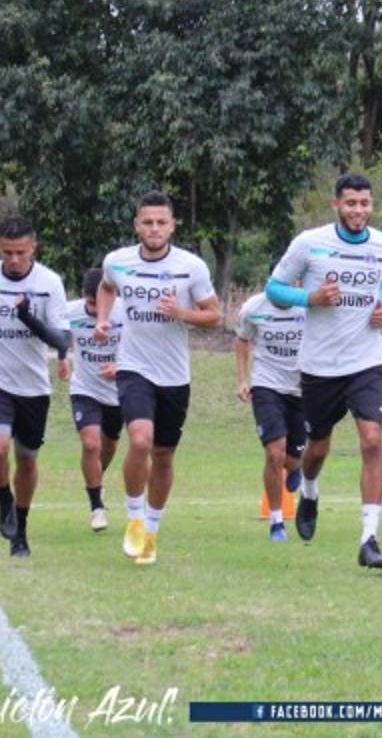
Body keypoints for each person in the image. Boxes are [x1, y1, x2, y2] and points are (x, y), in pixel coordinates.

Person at [265, 173, 382, 569]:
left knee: (373, 440)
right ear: (336, 205)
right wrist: (309, 297)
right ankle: (309, 491)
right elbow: (274, 289)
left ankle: (369, 537)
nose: (358, 211)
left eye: (365, 204)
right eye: (351, 204)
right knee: (318, 447)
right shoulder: (310, 244)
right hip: (319, 365)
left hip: (366, 361)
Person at [96, 190, 221, 565]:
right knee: (139, 439)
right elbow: (106, 287)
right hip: (134, 367)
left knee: (163, 456)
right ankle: (134, 519)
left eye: (160, 222)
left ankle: (151, 529)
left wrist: (181, 313)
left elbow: (215, 315)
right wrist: (103, 319)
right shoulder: (117, 261)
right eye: (147, 222)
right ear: (136, 225)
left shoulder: (191, 267)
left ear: (172, 226)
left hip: (174, 375)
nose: (153, 229)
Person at [0, 217, 70, 558]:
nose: (15, 260)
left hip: (33, 386)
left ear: (33, 247)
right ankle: (3, 496)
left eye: (21, 252)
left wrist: (27, 317)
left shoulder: (50, 283)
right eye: (8, 252)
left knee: (27, 460)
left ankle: (19, 530)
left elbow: (61, 339)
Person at [235, 265, 309, 543]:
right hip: (267, 386)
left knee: (291, 459)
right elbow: (242, 341)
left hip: (303, 390)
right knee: (274, 454)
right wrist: (243, 379)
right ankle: (277, 522)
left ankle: (296, 466)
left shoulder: (309, 307)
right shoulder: (254, 307)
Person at [66, 268, 125, 532]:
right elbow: (52, 332)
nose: (95, 309)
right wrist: (60, 358)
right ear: (84, 297)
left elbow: (144, 347)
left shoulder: (125, 312)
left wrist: (120, 366)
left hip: (118, 392)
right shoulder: (70, 312)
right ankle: (96, 506)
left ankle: (96, 482)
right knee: (91, 444)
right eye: (91, 303)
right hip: (84, 388)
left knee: (108, 446)